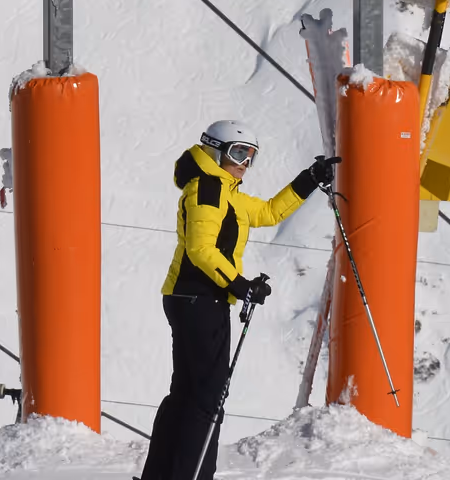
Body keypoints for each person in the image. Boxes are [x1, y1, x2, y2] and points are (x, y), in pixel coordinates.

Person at [138, 120, 338, 480]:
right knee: (205, 398)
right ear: (215, 150)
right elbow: (201, 250)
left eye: (250, 156)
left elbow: (269, 212)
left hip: (195, 300)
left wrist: (309, 178)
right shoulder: (209, 189)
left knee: (187, 393)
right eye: (237, 152)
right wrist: (239, 285)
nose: (244, 162)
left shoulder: (224, 191)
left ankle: (165, 474)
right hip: (200, 301)